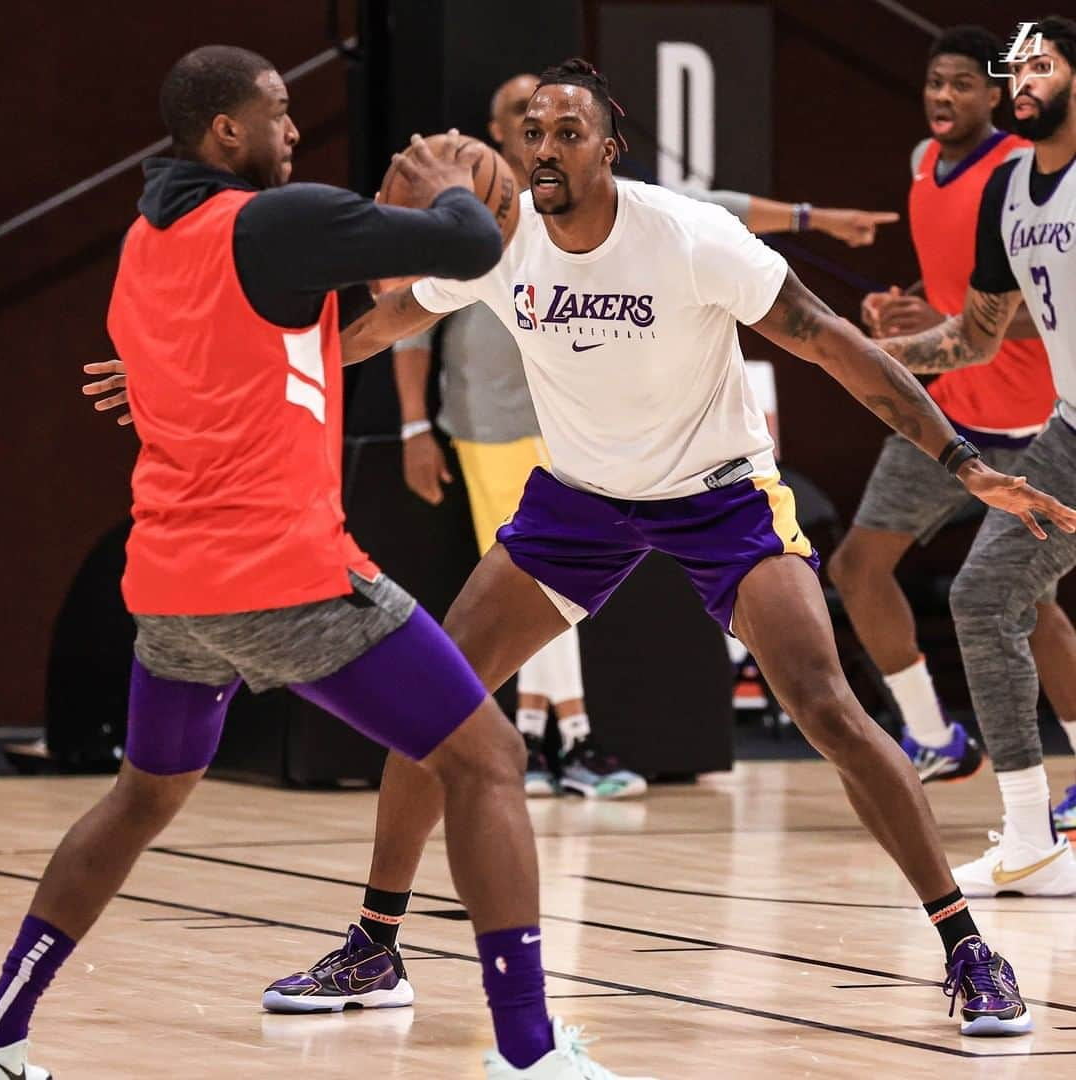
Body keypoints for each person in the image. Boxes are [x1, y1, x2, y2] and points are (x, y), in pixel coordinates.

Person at [84, 57, 1074, 1041]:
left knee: (824, 704)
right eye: (532, 134)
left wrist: (958, 459)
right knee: (443, 698)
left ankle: (966, 946)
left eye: (566, 134)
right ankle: (376, 944)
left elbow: (824, 339)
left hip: (719, 494)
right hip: (579, 502)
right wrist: (184, 373)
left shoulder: (686, 235)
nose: (544, 148)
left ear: (610, 149)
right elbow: (372, 327)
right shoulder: (502, 244)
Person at [0, 46, 640, 1080]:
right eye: (280, 112)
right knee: (485, 760)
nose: (294, 132)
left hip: (170, 587)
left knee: (140, 797)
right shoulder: (272, 222)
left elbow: (295, 329)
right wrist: (443, 187)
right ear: (226, 133)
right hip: (285, 570)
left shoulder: (146, 241)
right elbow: (469, 246)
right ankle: (527, 1053)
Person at [395, 74, 898, 797]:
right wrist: (414, 421)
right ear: (500, 133)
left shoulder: (619, 212)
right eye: (522, 120)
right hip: (487, 422)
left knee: (533, 605)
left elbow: (712, 208)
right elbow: (406, 320)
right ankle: (550, 733)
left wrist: (811, 214)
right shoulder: (477, 216)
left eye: (563, 128)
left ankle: (559, 732)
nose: (537, 135)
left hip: (570, 429)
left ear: (599, 142)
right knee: (512, 601)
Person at [830, 26, 1076, 806]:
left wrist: (930, 331)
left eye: (963, 82)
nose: (944, 95)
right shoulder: (949, 174)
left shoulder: (1021, 169)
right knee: (872, 571)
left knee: (1026, 603)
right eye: (935, 81)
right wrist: (890, 328)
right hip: (970, 419)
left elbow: (1033, 310)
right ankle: (941, 744)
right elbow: (970, 307)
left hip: (1032, 417)